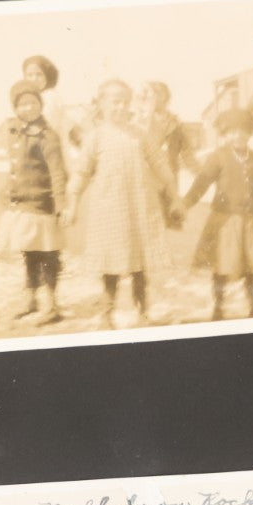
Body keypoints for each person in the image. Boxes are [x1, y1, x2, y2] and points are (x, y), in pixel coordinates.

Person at [62, 79, 182, 328]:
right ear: (102, 103)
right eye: (115, 102)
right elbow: (81, 173)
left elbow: (160, 165)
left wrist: (174, 197)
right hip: (108, 209)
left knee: (139, 262)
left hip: (139, 206)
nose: (120, 107)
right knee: (111, 263)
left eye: (125, 102)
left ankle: (142, 310)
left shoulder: (140, 134)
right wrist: (72, 204)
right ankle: (107, 313)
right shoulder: (95, 137)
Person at [184, 108, 253, 320]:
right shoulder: (218, 157)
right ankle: (218, 307)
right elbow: (201, 183)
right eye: (232, 132)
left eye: (243, 131)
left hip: (250, 221)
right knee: (222, 265)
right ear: (225, 134)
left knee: (251, 266)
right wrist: (185, 204)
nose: (238, 136)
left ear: (250, 133)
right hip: (225, 221)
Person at [0, 81, 68, 325]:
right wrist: (8, 191)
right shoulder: (14, 131)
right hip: (22, 205)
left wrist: (61, 203)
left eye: (33, 103)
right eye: (22, 104)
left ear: (41, 105)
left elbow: (58, 172)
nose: (28, 108)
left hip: (43, 206)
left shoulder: (47, 135)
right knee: (29, 254)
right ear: (15, 107)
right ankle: (31, 300)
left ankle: (52, 305)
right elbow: (14, 167)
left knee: (49, 255)